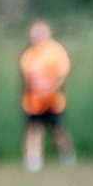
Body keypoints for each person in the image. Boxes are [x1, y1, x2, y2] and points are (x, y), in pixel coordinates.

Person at [19, 20, 75, 172]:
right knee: (34, 130)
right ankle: (33, 160)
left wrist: (51, 90)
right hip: (34, 102)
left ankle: (67, 157)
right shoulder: (29, 54)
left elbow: (62, 75)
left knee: (58, 130)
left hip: (53, 101)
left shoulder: (56, 51)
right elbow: (26, 80)